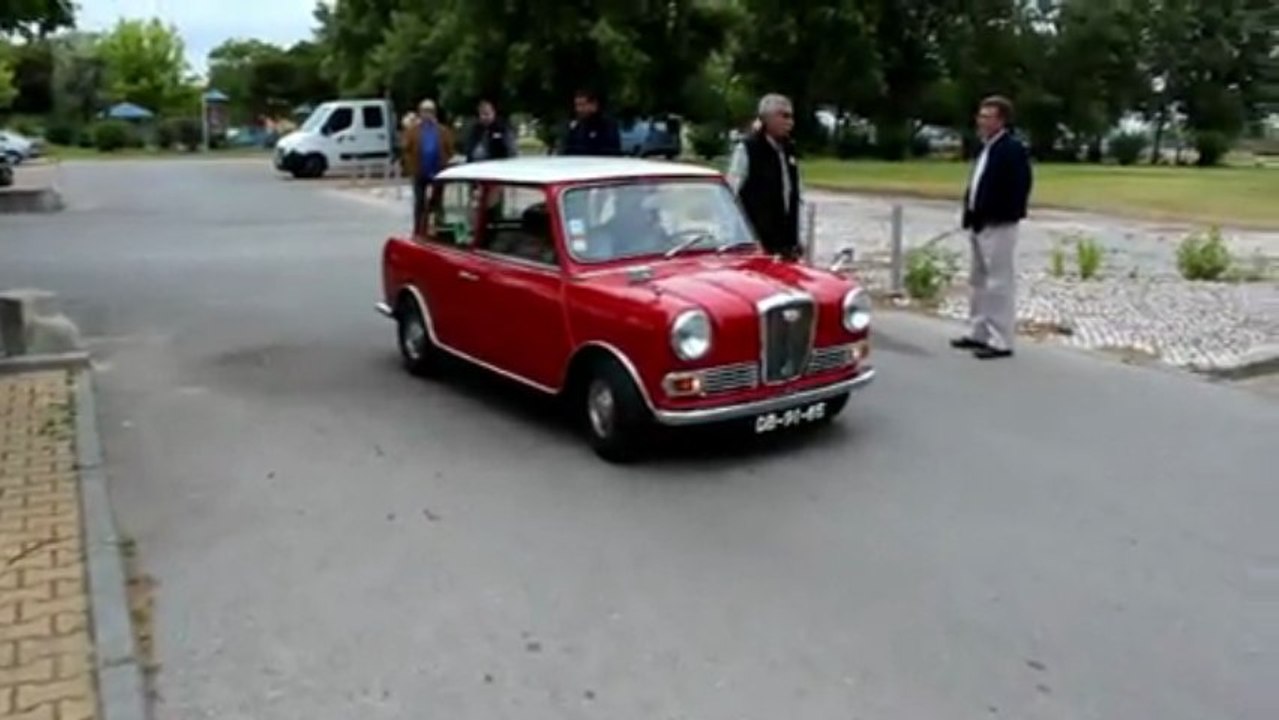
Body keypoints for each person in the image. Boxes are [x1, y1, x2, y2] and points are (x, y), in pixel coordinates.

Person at [951, 95, 1033, 360]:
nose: (982, 120)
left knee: (998, 282)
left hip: (998, 224)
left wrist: (999, 215)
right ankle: (978, 331)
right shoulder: (985, 148)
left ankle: (1001, 340)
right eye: (981, 115)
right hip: (978, 222)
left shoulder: (1012, 149)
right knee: (978, 280)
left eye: (988, 116)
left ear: (1002, 120)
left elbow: (1020, 188)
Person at [726, 94, 803, 259]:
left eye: (791, 116)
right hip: (757, 244)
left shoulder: (789, 149)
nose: (790, 122)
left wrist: (798, 238)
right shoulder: (748, 149)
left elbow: (796, 196)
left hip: (786, 243)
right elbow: (731, 195)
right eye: (784, 116)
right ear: (767, 118)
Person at [401, 99, 456, 236]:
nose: (427, 114)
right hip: (420, 171)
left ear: (434, 113)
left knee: (437, 203)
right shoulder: (413, 131)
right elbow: (405, 149)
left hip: (438, 172)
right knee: (419, 203)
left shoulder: (442, 130)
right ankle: (419, 230)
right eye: (424, 111)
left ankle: (438, 230)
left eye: (430, 111)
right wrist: (410, 166)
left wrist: (446, 163)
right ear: (420, 113)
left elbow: (450, 149)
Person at [558, 89, 622, 156]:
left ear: (594, 105)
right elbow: (566, 150)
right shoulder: (574, 127)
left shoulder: (607, 126)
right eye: (577, 105)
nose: (579, 109)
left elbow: (612, 152)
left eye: (582, 105)